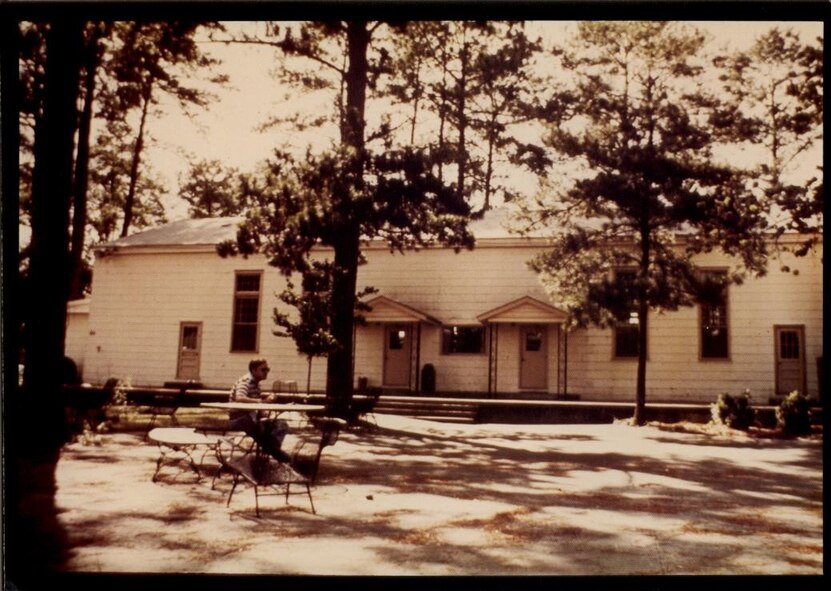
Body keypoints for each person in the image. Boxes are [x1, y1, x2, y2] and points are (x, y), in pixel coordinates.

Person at [228, 358, 290, 462]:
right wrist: (260, 402)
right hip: (239, 418)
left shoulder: (256, 384)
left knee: (281, 425)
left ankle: (272, 449)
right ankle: (276, 453)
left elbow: (256, 404)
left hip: (251, 417)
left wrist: (265, 406)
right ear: (253, 370)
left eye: (267, 370)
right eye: (263, 370)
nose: (266, 373)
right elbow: (239, 397)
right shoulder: (246, 381)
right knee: (261, 429)